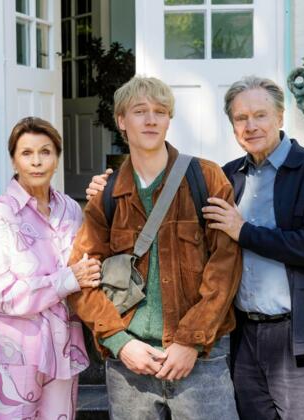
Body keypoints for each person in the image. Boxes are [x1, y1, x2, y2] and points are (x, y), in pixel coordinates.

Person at [87, 76, 304, 420]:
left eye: (260, 115)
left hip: (294, 334)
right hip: (244, 336)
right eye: (241, 118)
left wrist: (243, 231)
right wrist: (105, 187)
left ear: (280, 117)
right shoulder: (229, 174)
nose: (251, 126)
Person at [68, 76, 242, 420]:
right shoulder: (106, 195)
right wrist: (120, 343)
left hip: (201, 359)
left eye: (160, 112)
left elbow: (225, 268)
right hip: (131, 363)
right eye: (140, 111)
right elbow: (82, 279)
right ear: (121, 121)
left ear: (168, 120)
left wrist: (190, 341)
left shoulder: (206, 178)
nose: (151, 120)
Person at [0, 117, 102, 419]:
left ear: (57, 158)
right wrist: (67, 280)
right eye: (26, 153)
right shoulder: (0, 217)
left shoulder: (70, 209)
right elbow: (1, 295)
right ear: (14, 160)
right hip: (14, 354)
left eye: (45, 152)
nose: (36, 162)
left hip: (64, 351)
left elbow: (88, 265)